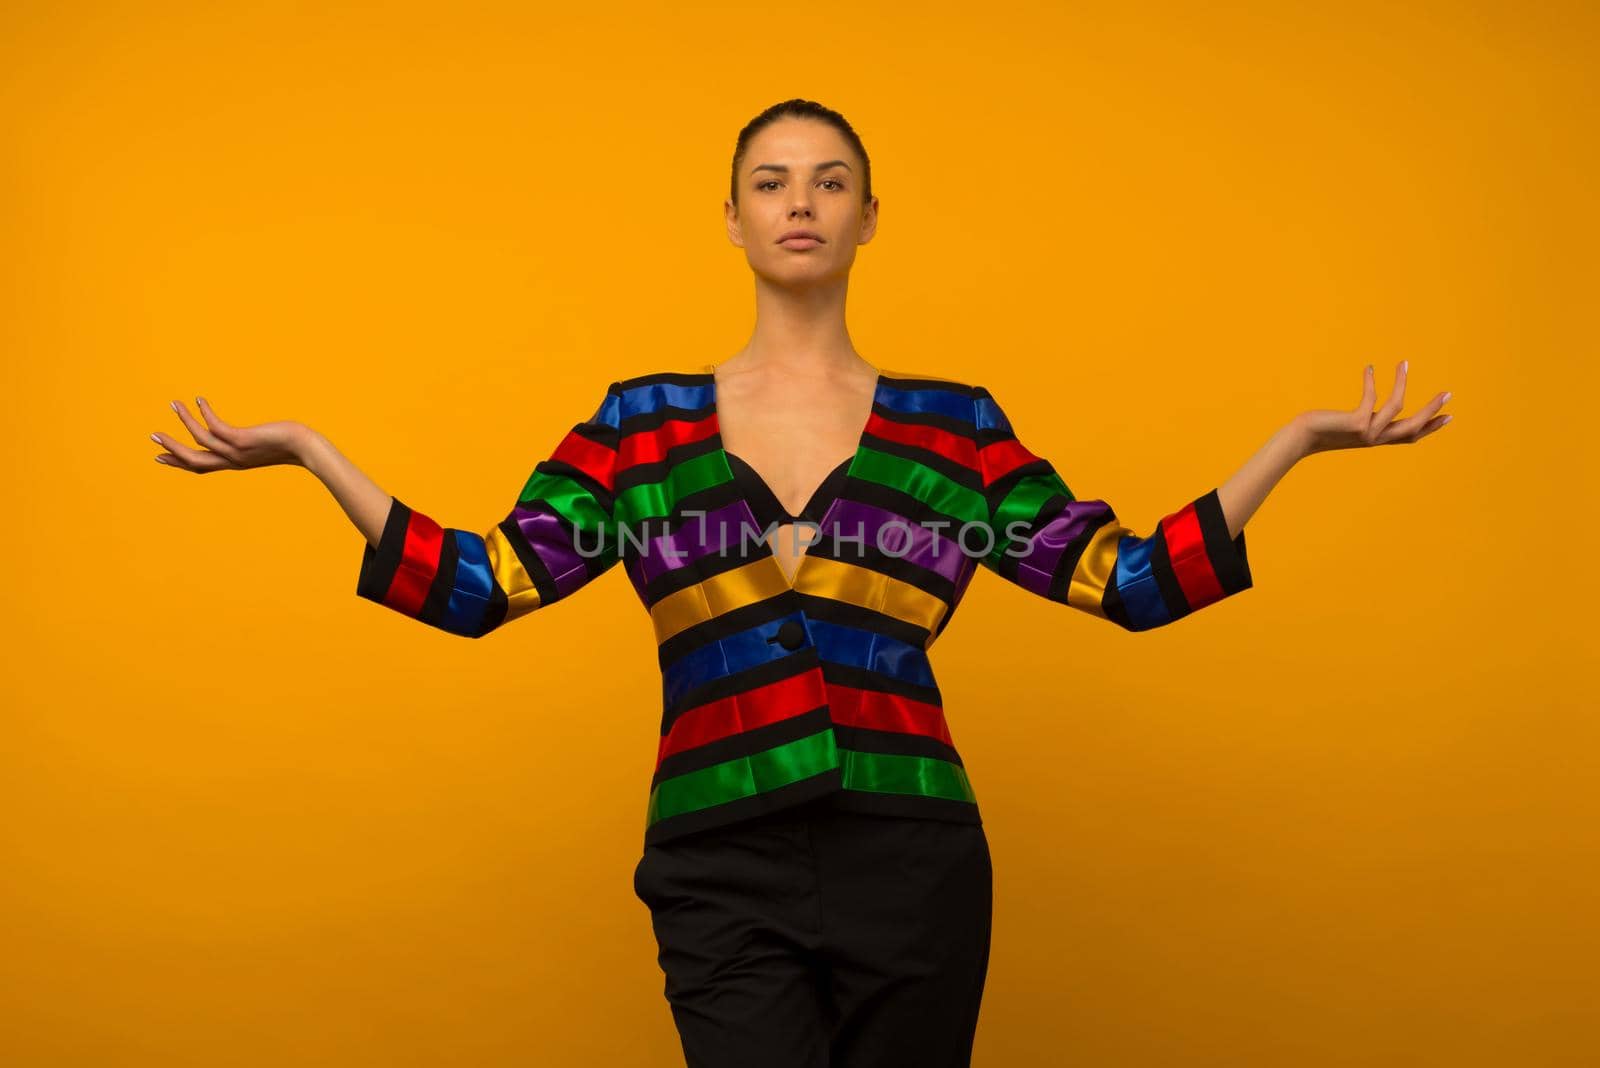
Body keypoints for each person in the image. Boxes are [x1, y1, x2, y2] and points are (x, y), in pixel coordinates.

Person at [149, 98, 1455, 1067]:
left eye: (831, 181)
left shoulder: (955, 430)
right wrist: (316, 457)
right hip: (717, 856)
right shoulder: (638, 426)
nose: (801, 202)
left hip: (916, 855)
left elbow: (1125, 580)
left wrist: (1292, 446)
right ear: (732, 217)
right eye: (772, 180)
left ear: (868, 217)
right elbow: (484, 582)